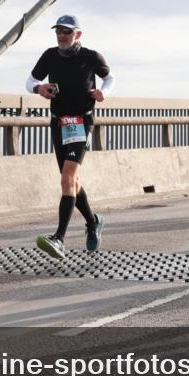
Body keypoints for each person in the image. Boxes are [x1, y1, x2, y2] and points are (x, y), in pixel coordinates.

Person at [28, 15, 115, 260]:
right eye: (59, 31)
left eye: (67, 32)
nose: (62, 36)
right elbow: (30, 80)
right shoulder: (50, 56)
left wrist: (103, 92)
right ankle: (93, 221)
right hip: (58, 123)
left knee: (67, 177)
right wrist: (39, 88)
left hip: (81, 122)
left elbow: (110, 77)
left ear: (78, 34)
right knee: (71, 182)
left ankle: (59, 239)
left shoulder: (91, 56)